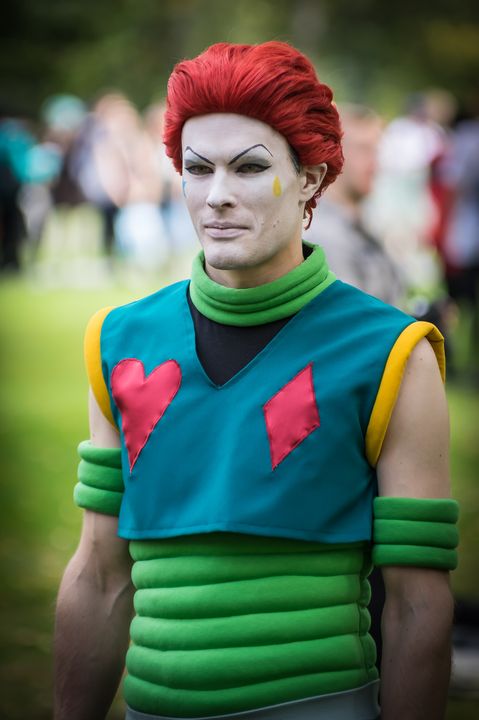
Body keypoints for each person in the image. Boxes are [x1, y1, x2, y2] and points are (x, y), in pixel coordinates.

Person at [54, 42, 458, 720]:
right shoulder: (120, 343)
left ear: (310, 178)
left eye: (249, 167)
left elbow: (418, 604)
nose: (217, 195)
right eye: (197, 168)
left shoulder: (390, 353)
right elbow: (98, 576)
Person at [304, 104, 404, 307]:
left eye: (376, 150)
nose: (375, 163)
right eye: (364, 149)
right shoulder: (321, 233)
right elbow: (349, 316)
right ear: (333, 154)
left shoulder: (359, 222)